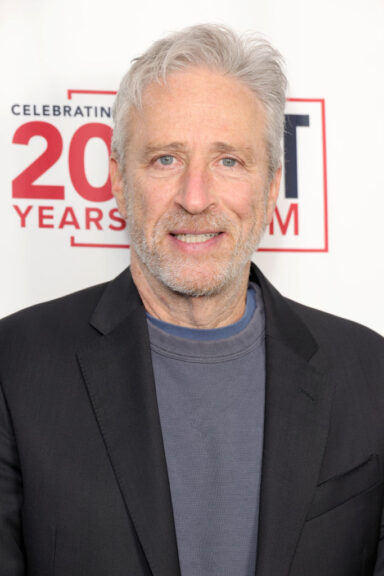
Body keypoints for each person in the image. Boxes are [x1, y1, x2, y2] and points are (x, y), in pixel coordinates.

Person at [0, 23, 383, 576]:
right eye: (165, 159)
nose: (195, 197)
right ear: (118, 181)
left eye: (228, 160)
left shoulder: (370, 374)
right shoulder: (16, 369)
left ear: (272, 185)